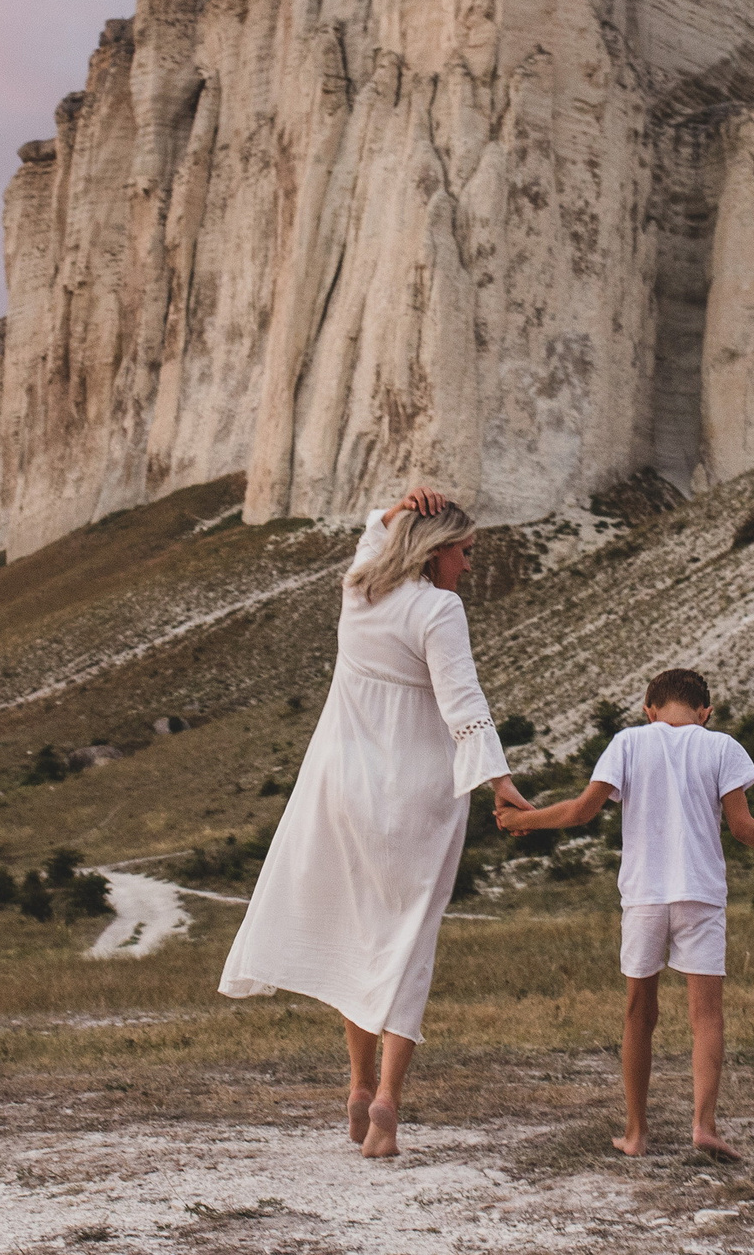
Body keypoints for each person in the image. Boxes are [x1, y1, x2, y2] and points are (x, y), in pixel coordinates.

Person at [218, 486, 532, 1159]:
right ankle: (388, 1099)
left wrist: (395, 509)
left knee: (360, 931)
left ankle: (358, 1085)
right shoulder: (438, 608)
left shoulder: (358, 591)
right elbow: (463, 703)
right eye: (466, 552)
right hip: (415, 792)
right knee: (406, 941)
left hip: (342, 784)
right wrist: (503, 783)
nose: (470, 566)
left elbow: (371, 534)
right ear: (438, 550)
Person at [498, 668, 754, 1159]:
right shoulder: (721, 746)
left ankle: (636, 1133)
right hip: (700, 894)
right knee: (707, 1018)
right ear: (706, 712)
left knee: (640, 1014)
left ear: (649, 709)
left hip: (644, 896)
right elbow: (743, 827)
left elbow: (581, 811)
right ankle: (704, 1124)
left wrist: (522, 820)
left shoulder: (628, 742)